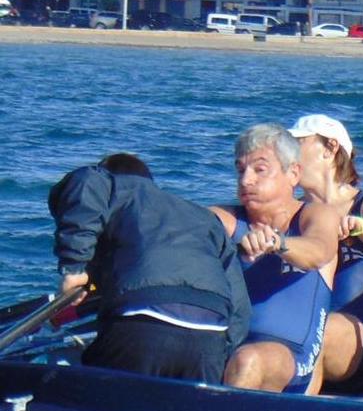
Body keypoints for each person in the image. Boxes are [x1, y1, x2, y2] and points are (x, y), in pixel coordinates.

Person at [49, 153, 250, 384]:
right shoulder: (204, 217)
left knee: (102, 405)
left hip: (143, 323)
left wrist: (73, 267)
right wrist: (221, 350)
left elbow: (86, 183)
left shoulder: (116, 186)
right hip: (210, 335)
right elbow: (240, 308)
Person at [211, 123, 339, 393]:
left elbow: (319, 251)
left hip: (292, 356)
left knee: (249, 361)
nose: (246, 180)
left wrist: (277, 243)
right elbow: (178, 223)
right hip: (228, 346)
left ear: (293, 174)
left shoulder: (315, 215)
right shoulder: (227, 218)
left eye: (259, 170)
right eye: (240, 170)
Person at [287, 114, 363, 393]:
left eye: (296, 144)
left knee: (317, 330)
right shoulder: (291, 213)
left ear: (330, 150)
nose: (286, 154)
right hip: (304, 329)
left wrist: (359, 226)